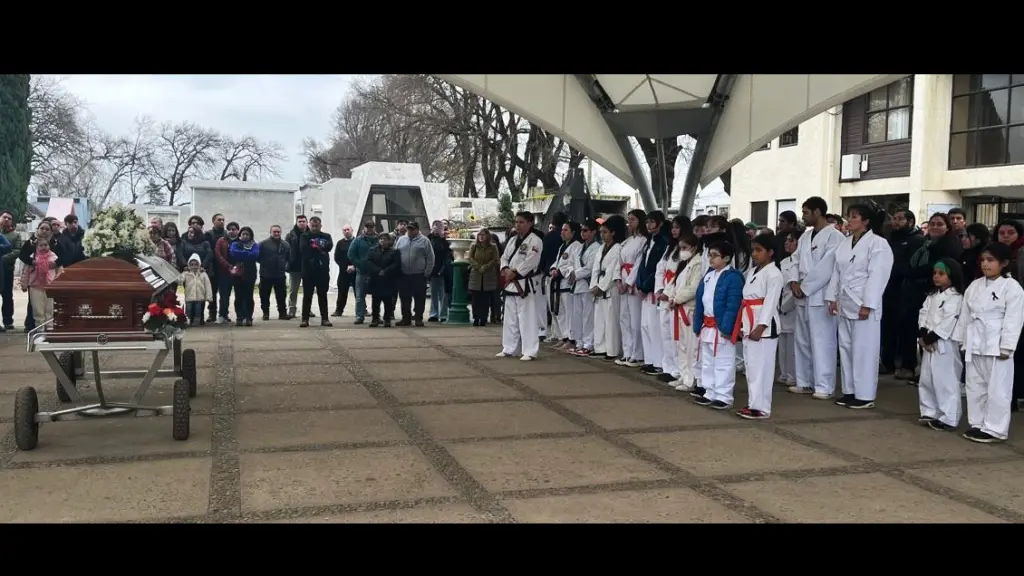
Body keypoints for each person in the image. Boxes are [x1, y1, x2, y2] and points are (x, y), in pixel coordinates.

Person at [954, 242, 1024, 443]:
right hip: (975, 340)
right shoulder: (975, 285)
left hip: (996, 343)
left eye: (990, 260)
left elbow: (1014, 319)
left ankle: (995, 428)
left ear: (1004, 263)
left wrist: (1007, 346)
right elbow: (965, 314)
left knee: (998, 389)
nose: (985, 264)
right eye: (983, 260)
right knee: (975, 385)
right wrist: (962, 339)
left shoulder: (1012, 288)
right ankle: (977, 423)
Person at [825, 203, 894, 409]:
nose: (849, 220)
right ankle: (850, 390)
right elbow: (837, 272)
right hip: (845, 301)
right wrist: (832, 297)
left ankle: (864, 395)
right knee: (846, 348)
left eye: (854, 217)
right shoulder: (844, 244)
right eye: (849, 217)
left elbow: (878, 276)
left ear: (866, 221)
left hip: (863, 303)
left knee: (864, 350)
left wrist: (868, 304)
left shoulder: (878, 244)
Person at [786, 197, 844, 399]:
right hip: (801, 295)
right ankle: (805, 382)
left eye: (806, 212)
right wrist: (794, 282)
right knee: (802, 340)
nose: (803, 216)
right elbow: (794, 259)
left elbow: (827, 267)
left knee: (822, 341)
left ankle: (824, 385)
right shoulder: (805, 236)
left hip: (820, 295)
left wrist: (806, 286)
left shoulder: (835, 237)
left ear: (818, 212)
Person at [735, 234, 784, 419]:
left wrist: (761, 326)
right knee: (752, 366)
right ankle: (753, 403)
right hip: (749, 321)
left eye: (759, 250)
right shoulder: (753, 271)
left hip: (764, 327)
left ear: (770, 252)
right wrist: (742, 324)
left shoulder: (774, 274)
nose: (754, 254)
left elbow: (771, 303)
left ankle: (761, 407)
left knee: (763, 367)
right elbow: (746, 299)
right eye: (753, 250)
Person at [692, 241, 745, 409]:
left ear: (727, 258)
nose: (711, 259)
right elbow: (701, 300)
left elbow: (733, 304)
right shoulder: (709, 275)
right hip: (707, 325)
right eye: (710, 255)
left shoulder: (733, 277)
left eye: (715, 255)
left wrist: (728, 328)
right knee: (708, 361)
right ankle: (710, 391)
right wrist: (697, 322)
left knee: (723, 362)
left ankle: (724, 395)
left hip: (721, 327)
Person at [917, 258, 964, 431]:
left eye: (941, 273)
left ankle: (949, 417)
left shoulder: (956, 298)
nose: (936, 277)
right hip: (928, 343)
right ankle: (929, 411)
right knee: (927, 379)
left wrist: (931, 338)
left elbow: (949, 320)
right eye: (935, 273)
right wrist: (923, 334)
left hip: (944, 344)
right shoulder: (932, 296)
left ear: (952, 275)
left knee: (945, 381)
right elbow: (923, 313)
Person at [882, 208, 926, 377]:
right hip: (889, 289)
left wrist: (901, 270)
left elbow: (915, 265)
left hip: (907, 290)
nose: (896, 222)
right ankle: (888, 363)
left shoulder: (917, 240)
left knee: (906, 329)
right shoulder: (888, 239)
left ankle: (908, 365)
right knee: (888, 328)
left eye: (900, 219)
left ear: (910, 222)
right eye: (894, 218)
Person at [497, 211, 544, 361]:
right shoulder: (512, 240)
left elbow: (531, 261)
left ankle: (530, 350)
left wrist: (515, 272)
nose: (517, 225)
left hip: (524, 283)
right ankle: (509, 348)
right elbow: (504, 257)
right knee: (510, 318)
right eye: (516, 222)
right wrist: (505, 269)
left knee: (527, 318)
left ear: (530, 223)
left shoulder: (535, 241)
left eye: (521, 222)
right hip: (510, 283)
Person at [655, 216, 689, 383]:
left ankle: (677, 369)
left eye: (677, 227)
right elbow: (660, 269)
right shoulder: (670, 248)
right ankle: (668, 366)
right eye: (673, 227)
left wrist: (669, 292)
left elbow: (680, 275)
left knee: (675, 334)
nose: (674, 230)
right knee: (665, 333)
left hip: (674, 294)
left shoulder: (687, 249)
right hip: (664, 291)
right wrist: (659, 289)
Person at [590, 215, 626, 361]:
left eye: (605, 232)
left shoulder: (618, 248)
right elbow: (595, 268)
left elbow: (612, 270)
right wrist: (593, 286)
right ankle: (600, 347)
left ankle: (612, 350)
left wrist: (601, 286)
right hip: (599, 284)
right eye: (601, 232)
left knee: (611, 320)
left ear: (613, 233)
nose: (602, 235)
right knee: (599, 319)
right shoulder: (600, 248)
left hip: (610, 288)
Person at [669, 233, 702, 392]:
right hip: (679, 308)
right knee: (681, 345)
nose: (682, 251)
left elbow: (693, 288)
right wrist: (672, 297)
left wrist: (676, 299)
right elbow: (676, 284)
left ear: (694, 248)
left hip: (689, 309)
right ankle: (683, 375)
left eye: (685, 248)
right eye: (680, 248)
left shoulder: (698, 263)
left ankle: (691, 379)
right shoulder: (684, 264)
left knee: (690, 346)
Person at [637, 211, 668, 374]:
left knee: (654, 327)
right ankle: (649, 359)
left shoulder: (663, 242)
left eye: (652, 222)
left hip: (653, 288)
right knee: (645, 325)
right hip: (644, 287)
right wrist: (639, 283)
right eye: (647, 222)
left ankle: (658, 362)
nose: (649, 225)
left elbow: (657, 268)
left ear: (660, 223)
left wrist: (646, 286)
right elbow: (642, 265)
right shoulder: (649, 241)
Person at [617, 210, 648, 367]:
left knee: (635, 320)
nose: (630, 223)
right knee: (624, 318)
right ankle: (627, 351)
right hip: (623, 280)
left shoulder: (643, 241)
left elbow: (638, 264)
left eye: (633, 220)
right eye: (628, 220)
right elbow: (620, 262)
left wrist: (629, 282)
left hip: (633, 282)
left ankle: (637, 353)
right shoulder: (627, 241)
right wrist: (618, 280)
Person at [569, 220, 601, 357]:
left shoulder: (597, 248)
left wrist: (575, 273)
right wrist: (571, 271)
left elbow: (590, 268)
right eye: (582, 230)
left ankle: (588, 344)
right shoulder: (578, 248)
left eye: (586, 230)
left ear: (594, 232)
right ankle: (579, 342)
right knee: (577, 316)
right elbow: (570, 263)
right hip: (577, 285)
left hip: (588, 285)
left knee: (588, 316)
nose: (583, 233)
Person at [549, 221, 582, 349]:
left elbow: (573, 265)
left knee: (569, 313)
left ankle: (571, 339)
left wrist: (561, 272)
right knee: (560, 311)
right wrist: (553, 268)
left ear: (573, 232)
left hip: (567, 283)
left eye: (565, 230)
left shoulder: (577, 246)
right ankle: (564, 336)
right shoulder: (563, 246)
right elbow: (557, 262)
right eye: (562, 230)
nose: (562, 232)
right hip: (559, 283)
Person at [395, 221, 434, 327]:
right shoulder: (401, 240)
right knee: (404, 298)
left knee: (419, 298)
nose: (410, 231)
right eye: (409, 229)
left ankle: (418, 318)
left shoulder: (425, 241)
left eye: (412, 229)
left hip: (419, 274)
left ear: (417, 230)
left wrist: (427, 273)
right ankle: (406, 318)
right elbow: (396, 254)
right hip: (404, 274)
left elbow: (430, 258)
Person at [20, 237, 63, 329]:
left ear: (49, 246)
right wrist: (24, 284)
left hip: (50, 288)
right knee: (38, 311)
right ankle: (40, 332)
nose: (44, 247)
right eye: (41, 245)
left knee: (50, 310)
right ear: (36, 247)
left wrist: (56, 282)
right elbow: (25, 272)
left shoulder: (54, 257)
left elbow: (60, 271)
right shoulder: (32, 258)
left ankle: (50, 330)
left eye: (46, 245)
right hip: (35, 287)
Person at [777, 229, 802, 387]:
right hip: (781, 303)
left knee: (794, 342)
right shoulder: (784, 262)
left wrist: (787, 304)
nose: (787, 243)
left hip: (793, 304)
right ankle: (784, 372)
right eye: (786, 240)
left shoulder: (800, 262)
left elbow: (795, 287)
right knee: (783, 341)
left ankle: (794, 374)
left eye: (791, 240)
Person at [299, 216, 334, 328]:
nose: (314, 228)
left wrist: (314, 244)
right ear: (309, 225)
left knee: (322, 295)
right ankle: (305, 319)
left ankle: (325, 319)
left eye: (316, 226)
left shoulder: (327, 236)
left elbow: (328, 246)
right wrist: (319, 246)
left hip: (322, 271)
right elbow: (304, 249)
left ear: (320, 225)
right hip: (308, 270)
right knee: (307, 295)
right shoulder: (304, 236)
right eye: (312, 226)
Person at [365, 232, 402, 327]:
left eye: (385, 239)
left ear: (389, 241)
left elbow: (396, 264)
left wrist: (385, 271)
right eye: (381, 239)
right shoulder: (372, 250)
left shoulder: (394, 251)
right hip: (376, 279)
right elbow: (368, 262)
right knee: (375, 301)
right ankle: (375, 319)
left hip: (388, 279)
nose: (382, 241)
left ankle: (387, 319)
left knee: (388, 301)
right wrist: (378, 270)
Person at [347, 220, 378, 325]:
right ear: (364, 228)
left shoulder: (379, 239)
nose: (369, 229)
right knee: (360, 295)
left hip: (376, 272)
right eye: (367, 227)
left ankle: (376, 316)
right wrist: (359, 264)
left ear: (374, 228)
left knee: (377, 295)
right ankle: (360, 316)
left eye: (371, 227)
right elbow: (351, 254)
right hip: (362, 272)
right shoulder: (358, 240)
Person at [228, 226, 260, 327]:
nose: (245, 236)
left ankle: (249, 317)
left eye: (247, 234)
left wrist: (243, 255)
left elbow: (255, 255)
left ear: (250, 236)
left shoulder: (254, 245)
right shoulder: (235, 244)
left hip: (250, 273)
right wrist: (247, 254)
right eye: (243, 234)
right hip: (238, 274)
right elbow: (234, 253)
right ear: (240, 235)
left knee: (249, 296)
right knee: (239, 296)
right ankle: (239, 317)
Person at [257, 224, 290, 321]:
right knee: (264, 295)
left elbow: (289, 257)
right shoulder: (263, 244)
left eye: (278, 232)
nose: (276, 233)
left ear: (281, 232)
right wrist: (265, 264)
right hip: (266, 274)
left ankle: (282, 313)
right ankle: (266, 313)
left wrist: (285, 265)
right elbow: (257, 257)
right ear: (270, 232)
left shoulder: (285, 244)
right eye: (274, 232)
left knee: (281, 295)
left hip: (280, 275)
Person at [468, 229, 500, 327]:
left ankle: (483, 318)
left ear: (487, 236)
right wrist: (478, 266)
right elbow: (470, 258)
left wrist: (485, 267)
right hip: (476, 275)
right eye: (480, 235)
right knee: (475, 299)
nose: (481, 237)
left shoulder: (493, 247)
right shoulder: (474, 246)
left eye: (483, 235)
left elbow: (495, 259)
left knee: (485, 299)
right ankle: (476, 317)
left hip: (488, 275)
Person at [285, 215, 314, 320]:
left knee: (308, 290)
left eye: (303, 221)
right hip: (295, 267)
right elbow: (286, 250)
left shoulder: (311, 234)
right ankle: (292, 310)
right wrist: (288, 263)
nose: (302, 223)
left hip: (308, 266)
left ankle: (307, 309)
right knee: (293, 290)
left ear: (307, 223)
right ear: (296, 222)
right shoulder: (291, 235)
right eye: (299, 221)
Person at [213, 222, 240, 324]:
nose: (231, 231)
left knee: (239, 296)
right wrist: (228, 266)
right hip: (224, 272)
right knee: (224, 296)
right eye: (229, 229)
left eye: (234, 229)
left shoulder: (241, 241)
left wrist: (237, 267)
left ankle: (240, 316)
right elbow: (218, 254)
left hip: (238, 272)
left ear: (238, 230)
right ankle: (222, 315)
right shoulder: (221, 241)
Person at [1, 210, 22, 332]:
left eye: (9, 218)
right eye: (4, 217)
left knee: (7, 296)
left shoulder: (15, 235)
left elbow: (17, 250)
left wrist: (2, 259)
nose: (6, 219)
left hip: (7, 269)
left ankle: (8, 321)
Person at [427, 220, 453, 323]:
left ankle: (443, 314)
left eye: (439, 227)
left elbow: (447, 255)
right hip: (433, 269)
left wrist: (442, 238)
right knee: (433, 293)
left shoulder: (445, 241)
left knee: (443, 293)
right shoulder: (429, 239)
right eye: (435, 226)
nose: (437, 229)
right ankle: (434, 313)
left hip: (443, 270)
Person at [205, 214, 228, 322]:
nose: (222, 221)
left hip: (224, 268)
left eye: (223, 220)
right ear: (213, 221)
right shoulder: (208, 234)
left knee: (224, 293)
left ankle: (224, 314)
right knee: (212, 292)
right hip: (212, 267)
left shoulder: (227, 234)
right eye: (219, 220)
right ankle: (212, 314)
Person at [180, 254, 213, 326]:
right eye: (192, 265)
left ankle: (197, 321)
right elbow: (180, 280)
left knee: (198, 310)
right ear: (189, 265)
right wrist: (182, 273)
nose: (194, 266)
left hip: (199, 296)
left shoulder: (203, 274)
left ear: (199, 264)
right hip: (189, 296)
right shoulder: (186, 273)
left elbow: (208, 285)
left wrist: (209, 297)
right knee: (188, 309)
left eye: (196, 264)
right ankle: (187, 321)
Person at [332, 224, 355, 317]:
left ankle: (362, 310)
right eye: (344, 230)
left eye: (348, 229)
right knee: (342, 292)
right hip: (343, 271)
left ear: (352, 230)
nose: (346, 231)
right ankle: (339, 310)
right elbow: (336, 257)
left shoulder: (356, 241)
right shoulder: (340, 243)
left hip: (355, 270)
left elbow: (360, 256)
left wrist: (354, 266)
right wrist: (345, 267)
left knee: (359, 292)